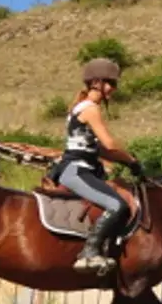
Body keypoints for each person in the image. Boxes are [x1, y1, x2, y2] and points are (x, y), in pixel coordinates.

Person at [56, 58, 145, 275]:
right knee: (117, 205)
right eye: (111, 84)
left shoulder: (84, 107)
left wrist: (123, 161)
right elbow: (110, 144)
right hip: (76, 170)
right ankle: (89, 252)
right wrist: (132, 160)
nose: (113, 89)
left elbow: (101, 150)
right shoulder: (90, 109)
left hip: (84, 168)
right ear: (96, 82)